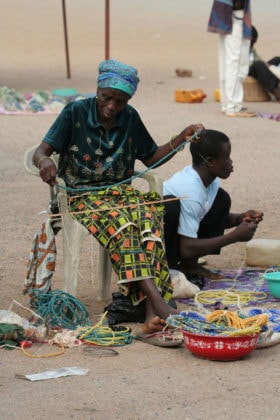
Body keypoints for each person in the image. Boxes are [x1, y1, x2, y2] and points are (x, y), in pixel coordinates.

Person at [32, 58, 203, 335]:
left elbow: (150, 157)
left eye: (120, 102)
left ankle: (150, 313)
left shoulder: (130, 117)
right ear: (98, 90)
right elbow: (42, 151)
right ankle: (158, 302)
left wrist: (181, 137)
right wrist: (45, 163)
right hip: (83, 195)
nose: (112, 107)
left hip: (120, 192)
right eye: (106, 98)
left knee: (149, 218)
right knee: (121, 224)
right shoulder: (74, 112)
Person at [163, 129, 263, 287]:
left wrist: (239, 218)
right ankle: (171, 269)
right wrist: (234, 237)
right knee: (171, 208)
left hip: (183, 236)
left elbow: (203, 214)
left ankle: (190, 266)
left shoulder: (210, 180)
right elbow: (186, 248)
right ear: (210, 161)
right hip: (165, 244)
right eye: (227, 158)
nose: (231, 162)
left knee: (222, 199)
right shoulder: (190, 190)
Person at [207, 0, 255, 117]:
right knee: (236, 62)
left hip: (224, 15)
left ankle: (227, 104)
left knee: (226, 61)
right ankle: (232, 106)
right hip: (235, 16)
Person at [248, 26, 280, 102]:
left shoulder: (250, 48)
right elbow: (251, 63)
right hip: (246, 70)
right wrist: (264, 65)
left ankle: (276, 82)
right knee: (259, 65)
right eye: (252, 42)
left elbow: (257, 59)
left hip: (257, 67)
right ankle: (275, 91)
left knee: (277, 59)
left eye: (254, 42)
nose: (252, 45)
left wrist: (269, 66)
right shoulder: (239, 48)